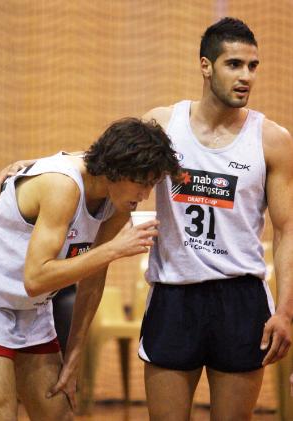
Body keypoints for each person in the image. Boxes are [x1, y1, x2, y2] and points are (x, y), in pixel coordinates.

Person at [137, 17, 293, 421]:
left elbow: (287, 229)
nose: (246, 77)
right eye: (234, 64)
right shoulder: (162, 124)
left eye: (252, 66)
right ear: (205, 65)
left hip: (240, 299)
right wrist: (36, 165)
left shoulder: (272, 140)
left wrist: (286, 312)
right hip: (174, 295)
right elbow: (102, 165)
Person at [0, 117, 180, 421]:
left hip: (30, 306)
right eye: (143, 183)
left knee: (59, 414)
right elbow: (35, 278)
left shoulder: (117, 202)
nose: (146, 194)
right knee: (0, 413)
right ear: (118, 169)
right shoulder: (63, 186)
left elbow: (93, 278)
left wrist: (73, 356)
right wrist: (112, 250)